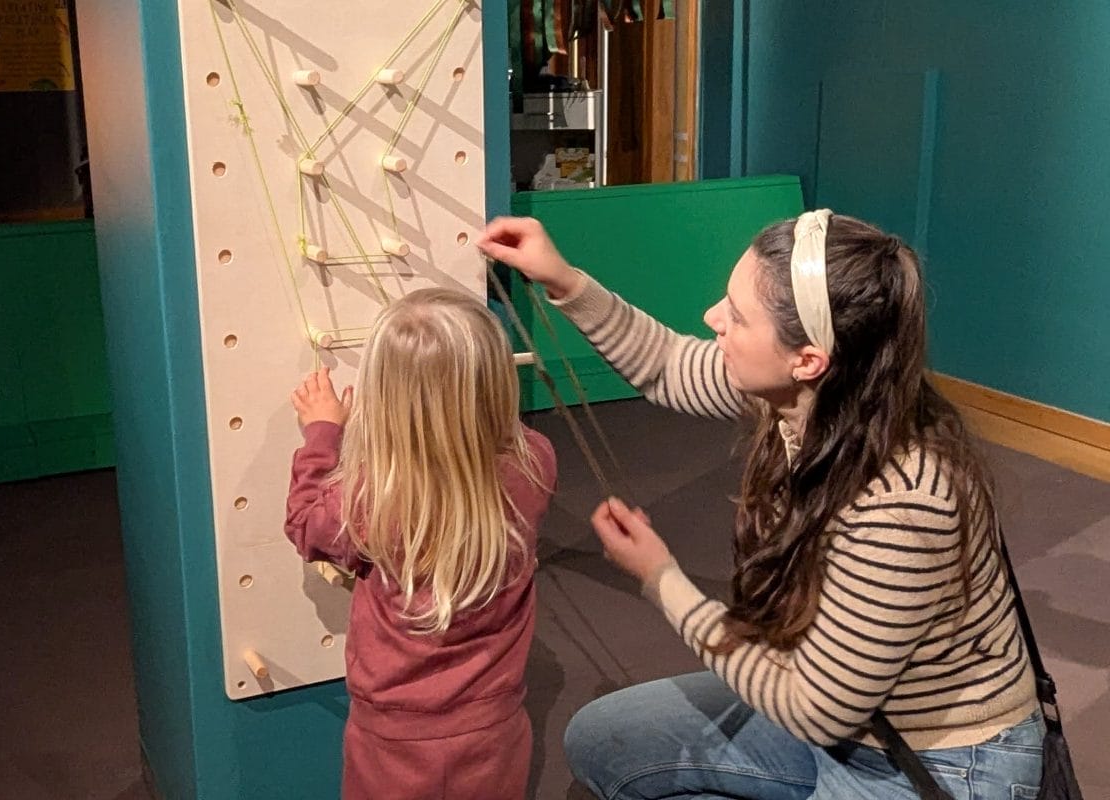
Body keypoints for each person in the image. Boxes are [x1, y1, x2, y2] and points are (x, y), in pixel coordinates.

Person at [477, 212, 1043, 799]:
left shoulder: (902, 504)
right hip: (836, 704)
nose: (712, 317)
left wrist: (662, 579)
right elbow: (666, 364)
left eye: (737, 315)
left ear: (808, 359)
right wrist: (563, 279)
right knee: (601, 741)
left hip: (934, 761)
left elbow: (815, 712)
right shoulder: (816, 394)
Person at [284, 288, 557, 800]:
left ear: (382, 398)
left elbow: (305, 525)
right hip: (495, 725)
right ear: (497, 380)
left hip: (393, 737)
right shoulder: (535, 460)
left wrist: (322, 434)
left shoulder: (371, 497)